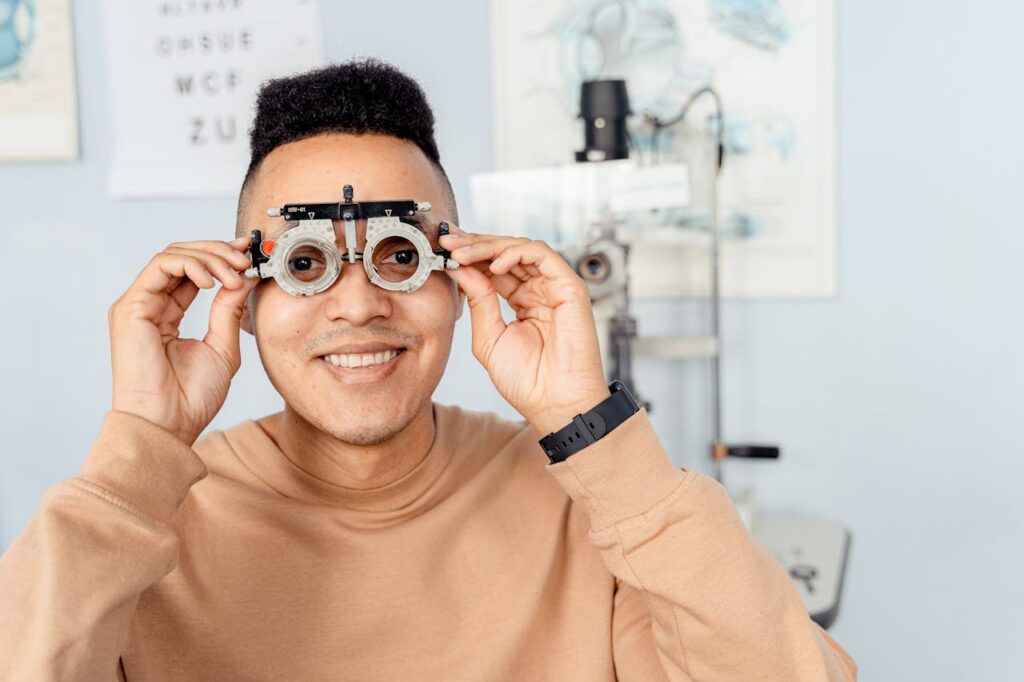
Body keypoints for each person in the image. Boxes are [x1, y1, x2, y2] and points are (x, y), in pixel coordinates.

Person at [0, 59, 857, 681]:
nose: (358, 303)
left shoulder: (583, 505)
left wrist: (595, 433)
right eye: (306, 265)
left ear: (457, 281)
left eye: (397, 256)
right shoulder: (146, 528)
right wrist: (138, 451)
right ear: (247, 295)